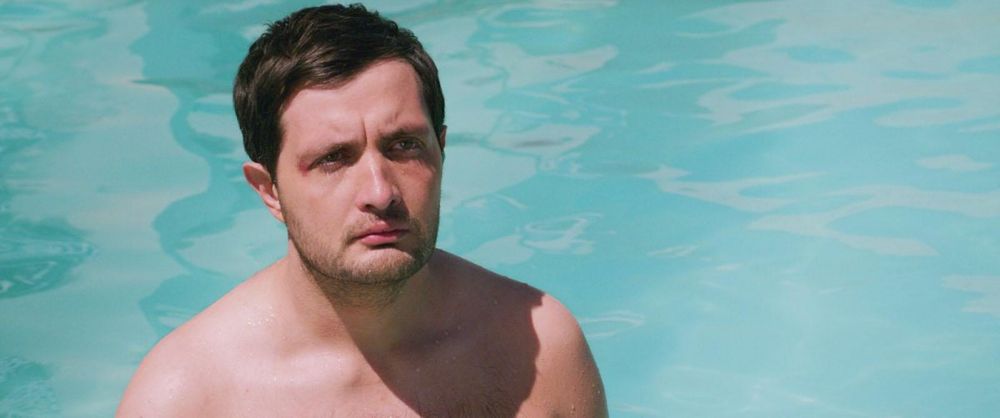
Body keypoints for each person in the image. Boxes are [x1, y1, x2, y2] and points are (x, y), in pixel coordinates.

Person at [117, 4, 606, 417]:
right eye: (333, 158)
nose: (379, 191)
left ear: (441, 150)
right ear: (269, 191)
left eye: (404, 146)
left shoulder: (539, 350)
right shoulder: (187, 397)